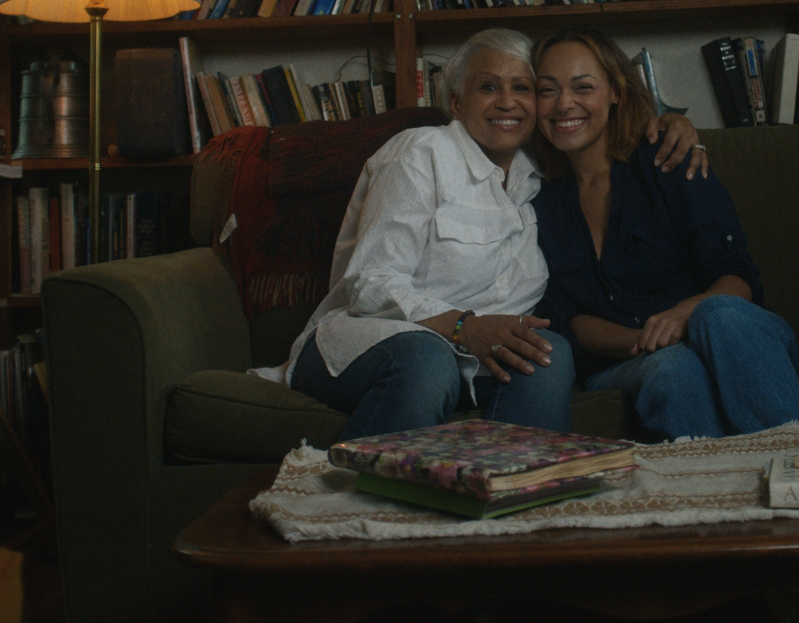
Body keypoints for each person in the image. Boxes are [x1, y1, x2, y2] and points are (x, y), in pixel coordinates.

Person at [269, 28, 705, 440]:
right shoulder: (422, 153)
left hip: (478, 362)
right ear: (456, 102)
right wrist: (464, 328)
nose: (507, 102)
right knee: (428, 360)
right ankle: (369, 493)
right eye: (488, 87)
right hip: (369, 344)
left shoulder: (545, 175)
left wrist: (670, 126)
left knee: (548, 353)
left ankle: (515, 487)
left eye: (522, 88)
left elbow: (606, 132)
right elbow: (370, 283)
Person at [528, 27, 799, 441]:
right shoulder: (538, 200)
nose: (564, 104)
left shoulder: (667, 157)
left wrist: (685, 316)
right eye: (547, 90)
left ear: (615, 91)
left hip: (733, 339)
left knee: (718, 314)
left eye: (583, 87)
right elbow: (573, 319)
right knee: (674, 368)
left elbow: (737, 276)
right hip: (626, 361)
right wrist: (650, 340)